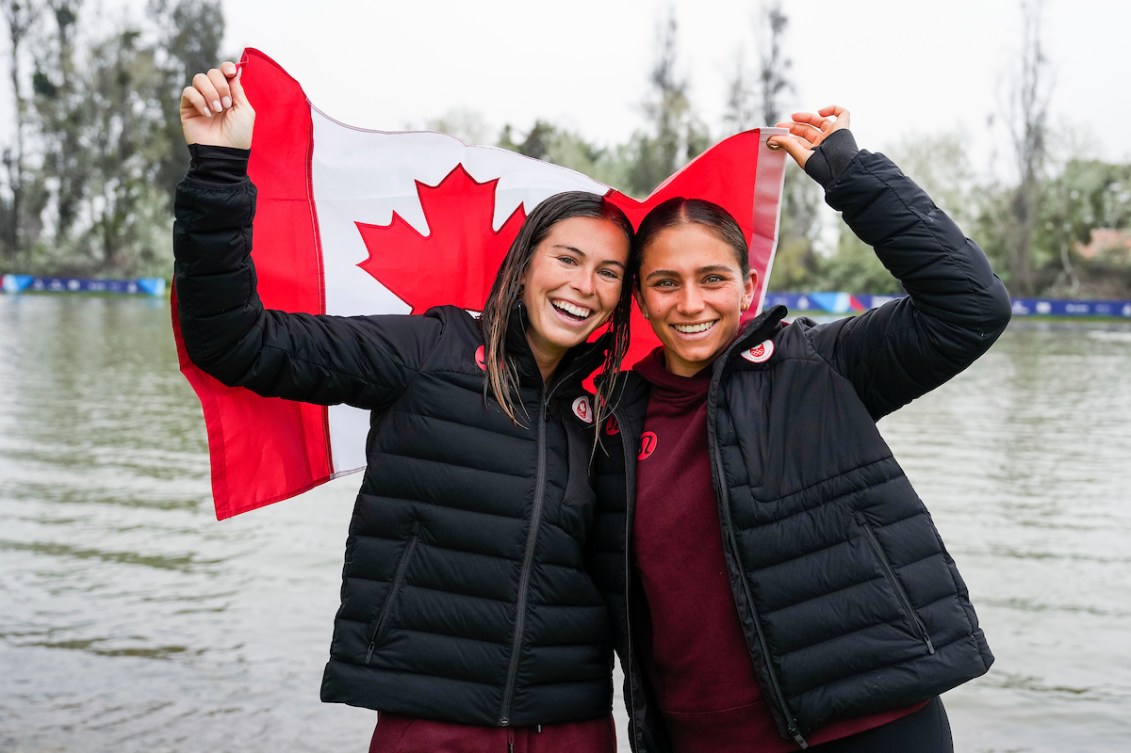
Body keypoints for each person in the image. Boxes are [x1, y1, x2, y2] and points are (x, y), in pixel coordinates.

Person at [175, 62, 636, 752]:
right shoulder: (428, 349)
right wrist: (218, 167)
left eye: (608, 272)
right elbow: (237, 341)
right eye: (566, 259)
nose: (584, 285)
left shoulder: (617, 403)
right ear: (524, 263)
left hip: (571, 724)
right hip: (432, 718)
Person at [591, 106, 1012, 753]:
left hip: (866, 725)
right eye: (665, 283)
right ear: (641, 300)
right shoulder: (609, 417)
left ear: (747, 285)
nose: (691, 302)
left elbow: (969, 306)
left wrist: (851, 175)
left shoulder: (816, 365)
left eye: (711, 278)